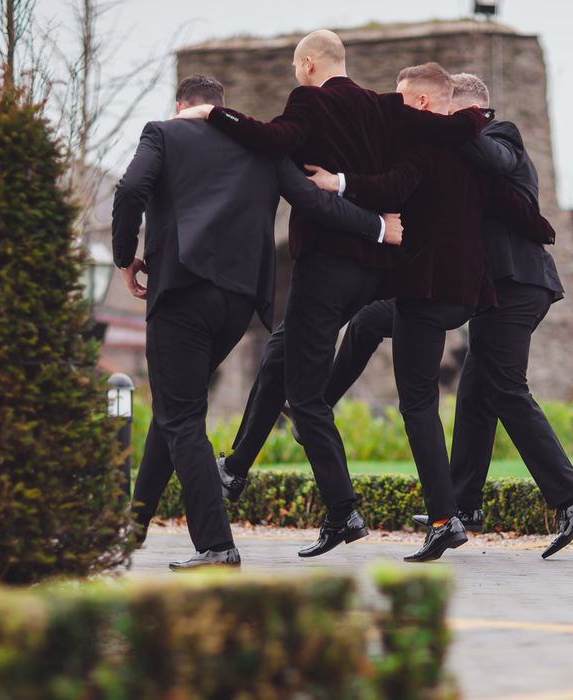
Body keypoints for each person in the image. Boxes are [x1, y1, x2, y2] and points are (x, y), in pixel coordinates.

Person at [178, 30, 491, 558]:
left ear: (306, 64)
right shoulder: (377, 104)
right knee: (281, 350)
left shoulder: (309, 99)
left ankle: (342, 510)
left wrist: (213, 114)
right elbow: (442, 121)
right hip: (373, 273)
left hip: (328, 265)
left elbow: (273, 138)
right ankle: (234, 469)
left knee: (304, 396)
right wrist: (477, 115)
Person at [112, 74, 400, 571]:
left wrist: (123, 258)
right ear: (221, 107)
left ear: (181, 104)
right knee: (174, 404)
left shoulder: (162, 133)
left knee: (181, 417)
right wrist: (376, 226)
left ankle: (216, 545)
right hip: (241, 302)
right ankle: (134, 524)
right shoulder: (260, 149)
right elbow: (313, 201)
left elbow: (132, 187)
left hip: (181, 292)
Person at [310, 63, 555, 561]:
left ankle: (466, 514)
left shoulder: (487, 136)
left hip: (477, 286)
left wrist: (338, 182)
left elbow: (406, 184)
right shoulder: (457, 150)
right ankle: (458, 504)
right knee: (458, 384)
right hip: (469, 291)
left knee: (470, 396)